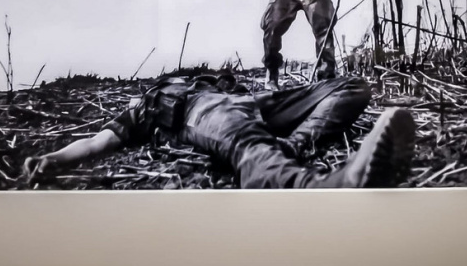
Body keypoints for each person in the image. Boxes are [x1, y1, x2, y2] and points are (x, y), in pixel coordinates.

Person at [23, 75, 416, 190]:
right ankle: (326, 188)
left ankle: (290, 146)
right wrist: (53, 159)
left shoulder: (200, 80)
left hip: (250, 101)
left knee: (351, 86)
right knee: (248, 147)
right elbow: (97, 142)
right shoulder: (144, 107)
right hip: (206, 114)